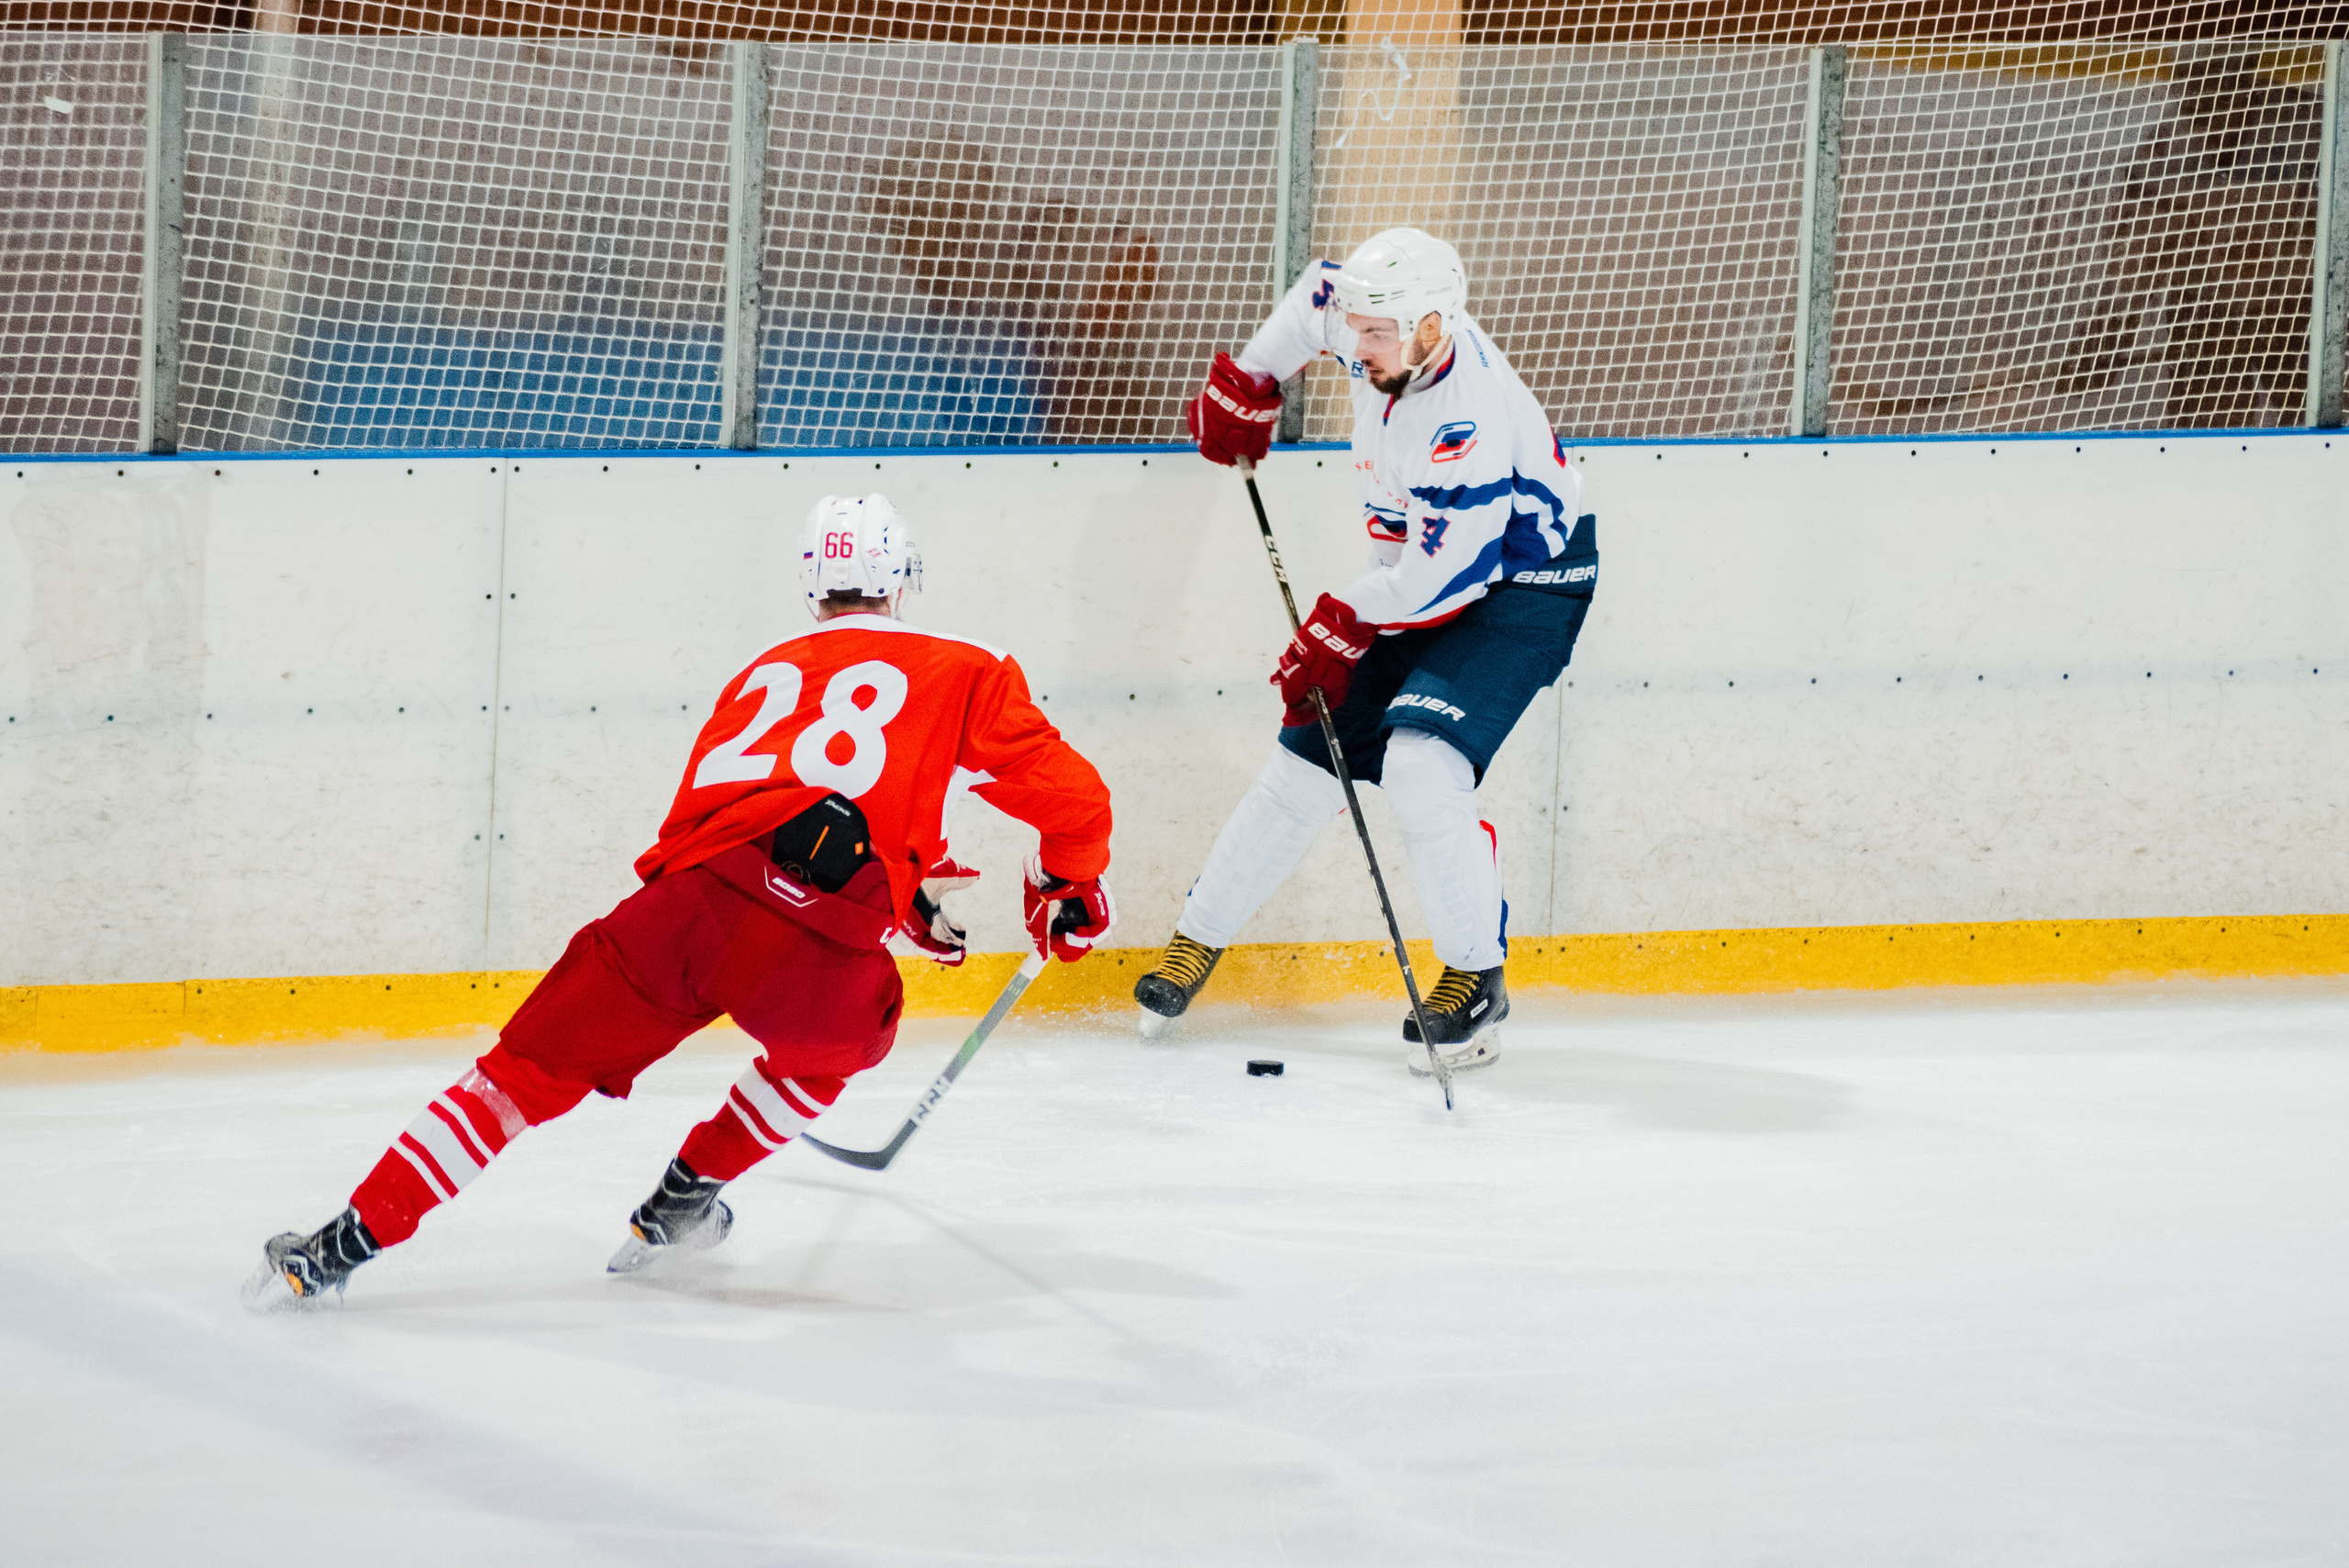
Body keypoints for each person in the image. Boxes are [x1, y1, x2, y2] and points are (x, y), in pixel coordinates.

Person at [247, 494, 1115, 1307]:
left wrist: (897, 896)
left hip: (685, 913)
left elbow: (744, 817)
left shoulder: (763, 671)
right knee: (831, 1050)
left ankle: (340, 1244)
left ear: (812, 584)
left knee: (515, 1078)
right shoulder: (965, 668)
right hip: (815, 956)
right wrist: (1064, 884)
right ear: (903, 578)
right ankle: (686, 1195)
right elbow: (1076, 803)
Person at [1139, 227, 1598, 1078]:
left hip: (1520, 587)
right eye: (1356, 328)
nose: (1357, 344)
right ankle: (1194, 943)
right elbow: (1313, 298)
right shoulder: (1375, 319)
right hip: (1412, 579)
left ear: (1433, 328)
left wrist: (1339, 620)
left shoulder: (1463, 423)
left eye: (1376, 334)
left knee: (1423, 765)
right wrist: (1254, 379)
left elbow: (1446, 581)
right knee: (1306, 763)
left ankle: (1476, 977)